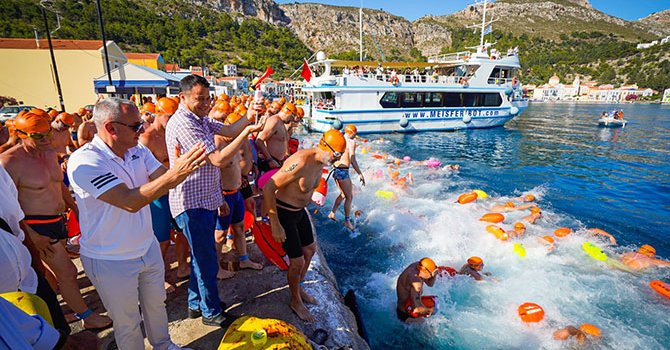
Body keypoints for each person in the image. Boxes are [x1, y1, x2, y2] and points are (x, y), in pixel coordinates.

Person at [68, 97, 206, 349]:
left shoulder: (137, 150)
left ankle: (163, 345)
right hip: (110, 258)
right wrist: (175, 174)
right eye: (136, 126)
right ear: (111, 128)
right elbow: (129, 201)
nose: (142, 129)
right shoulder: (85, 161)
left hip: (146, 246)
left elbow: (163, 179)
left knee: (156, 306)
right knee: (127, 322)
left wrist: (180, 171)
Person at [165, 74, 263, 327]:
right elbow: (218, 160)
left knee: (202, 256)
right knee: (207, 259)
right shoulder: (185, 125)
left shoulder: (199, 119)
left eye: (208, 98)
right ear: (182, 98)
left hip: (205, 199)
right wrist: (247, 134)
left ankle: (195, 304)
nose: (206, 103)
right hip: (191, 203)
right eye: (200, 99)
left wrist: (249, 115)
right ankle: (210, 312)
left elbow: (229, 129)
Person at [0, 111, 112, 330]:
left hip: (58, 220)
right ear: (20, 134)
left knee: (51, 277)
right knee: (68, 272)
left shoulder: (50, 153)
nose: (46, 139)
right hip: (36, 227)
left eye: (47, 133)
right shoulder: (9, 162)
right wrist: (32, 237)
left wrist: (74, 208)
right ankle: (86, 316)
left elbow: (58, 185)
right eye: (38, 136)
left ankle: (53, 314)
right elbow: (9, 206)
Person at [262, 129, 347, 322]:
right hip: (284, 212)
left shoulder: (321, 162)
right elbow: (269, 187)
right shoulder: (300, 161)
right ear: (325, 146)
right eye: (337, 154)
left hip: (299, 212)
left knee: (310, 249)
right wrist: (275, 223)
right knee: (297, 261)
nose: (338, 159)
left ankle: (298, 288)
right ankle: (295, 300)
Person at [139, 97, 189, 294]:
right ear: (158, 114)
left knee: (182, 232)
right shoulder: (147, 139)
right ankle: (158, 277)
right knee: (161, 239)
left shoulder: (174, 132)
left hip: (176, 189)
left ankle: (183, 266)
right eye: (170, 116)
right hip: (159, 194)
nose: (173, 120)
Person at [213, 112, 263, 280]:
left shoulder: (235, 142)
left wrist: (240, 178)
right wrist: (219, 198)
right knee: (219, 234)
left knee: (240, 227)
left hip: (236, 192)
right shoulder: (217, 144)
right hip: (224, 195)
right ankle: (216, 267)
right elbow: (212, 174)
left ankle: (244, 259)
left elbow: (236, 165)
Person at [328, 124, 365, 230]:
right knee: (349, 197)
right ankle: (347, 221)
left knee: (343, 194)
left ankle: (332, 212)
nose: (355, 137)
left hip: (336, 170)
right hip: (343, 171)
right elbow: (352, 160)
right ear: (352, 133)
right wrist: (359, 173)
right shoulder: (351, 142)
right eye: (355, 134)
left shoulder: (338, 139)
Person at [255, 102, 297, 173]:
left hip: (277, 162)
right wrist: (270, 160)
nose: (291, 120)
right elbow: (259, 141)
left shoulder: (281, 123)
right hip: (269, 162)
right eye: (291, 118)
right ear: (288, 113)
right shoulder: (274, 121)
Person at [395, 258, 438, 322]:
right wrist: (430, 310)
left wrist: (434, 273)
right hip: (406, 314)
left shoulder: (417, 265)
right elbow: (417, 309)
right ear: (425, 272)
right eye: (431, 274)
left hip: (404, 305)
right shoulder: (416, 283)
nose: (432, 276)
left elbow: (430, 284)